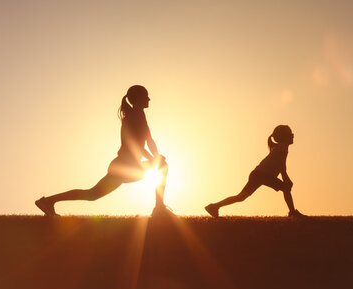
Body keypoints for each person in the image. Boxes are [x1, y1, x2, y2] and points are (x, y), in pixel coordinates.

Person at [35, 85, 172, 216]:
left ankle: (47, 201)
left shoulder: (140, 114)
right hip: (123, 166)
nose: (149, 99)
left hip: (128, 165)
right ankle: (159, 209)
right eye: (146, 96)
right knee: (91, 195)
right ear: (137, 99)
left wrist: (156, 156)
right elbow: (136, 145)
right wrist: (153, 159)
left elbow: (149, 140)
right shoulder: (132, 117)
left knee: (91, 195)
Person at [205, 125, 305, 217]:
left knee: (241, 197)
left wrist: (286, 179)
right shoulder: (283, 147)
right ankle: (292, 212)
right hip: (263, 175)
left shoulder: (281, 147)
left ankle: (214, 206)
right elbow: (282, 166)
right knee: (286, 188)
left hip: (258, 174)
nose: (293, 136)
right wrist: (286, 178)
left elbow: (280, 165)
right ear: (284, 137)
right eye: (290, 134)